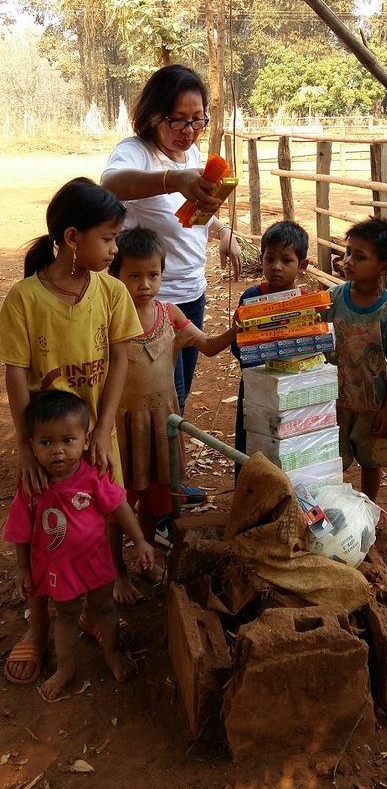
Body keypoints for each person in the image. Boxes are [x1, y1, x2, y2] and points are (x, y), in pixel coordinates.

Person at [0, 177, 143, 675]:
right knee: (43, 532)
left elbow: (121, 358)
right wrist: (24, 446)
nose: (115, 248)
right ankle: (38, 627)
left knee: (101, 516)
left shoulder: (111, 293)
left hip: (93, 435)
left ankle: (90, 604)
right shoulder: (24, 299)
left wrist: (103, 431)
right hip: (46, 445)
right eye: (108, 238)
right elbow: (16, 373)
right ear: (71, 238)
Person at [101, 65, 242, 414]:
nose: (189, 130)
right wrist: (173, 179)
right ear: (152, 115)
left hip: (192, 292)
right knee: (165, 401)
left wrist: (222, 230)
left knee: (180, 394)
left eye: (198, 120)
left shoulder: (191, 156)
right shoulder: (136, 152)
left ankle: (164, 464)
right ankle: (158, 467)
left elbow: (188, 219)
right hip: (151, 302)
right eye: (177, 120)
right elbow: (110, 183)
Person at [109, 226, 239, 602]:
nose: (145, 284)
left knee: (154, 499)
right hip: (121, 426)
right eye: (134, 275)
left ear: (163, 273)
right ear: (116, 275)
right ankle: (117, 573)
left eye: (153, 274)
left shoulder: (170, 315)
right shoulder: (109, 319)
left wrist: (236, 327)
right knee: (117, 503)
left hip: (161, 426)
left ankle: (146, 559)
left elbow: (210, 347)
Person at [3, 390, 155, 699]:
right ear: (31, 446)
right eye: (46, 443)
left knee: (105, 607)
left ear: (86, 440)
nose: (58, 451)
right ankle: (66, 667)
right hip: (59, 569)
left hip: (96, 562)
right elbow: (20, 530)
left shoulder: (94, 477)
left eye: (67, 440)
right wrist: (22, 568)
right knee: (66, 615)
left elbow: (120, 507)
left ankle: (111, 653)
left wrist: (139, 541)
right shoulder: (33, 485)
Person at [325, 218, 387, 504]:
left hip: (371, 404)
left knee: (370, 461)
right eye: (348, 252)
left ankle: (368, 510)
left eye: (359, 257)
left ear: (384, 267)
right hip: (332, 400)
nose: (348, 261)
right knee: (330, 459)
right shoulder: (332, 299)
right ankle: (331, 511)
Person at [231, 221, 310, 477]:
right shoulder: (251, 297)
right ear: (261, 258)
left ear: (302, 265)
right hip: (255, 383)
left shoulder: (306, 303)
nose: (276, 267)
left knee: (288, 440)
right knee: (251, 437)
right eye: (270, 258)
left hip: (291, 384)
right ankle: (247, 494)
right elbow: (237, 343)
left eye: (286, 260)